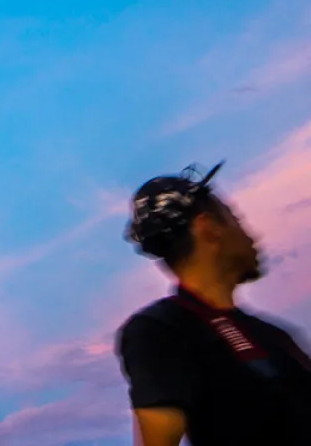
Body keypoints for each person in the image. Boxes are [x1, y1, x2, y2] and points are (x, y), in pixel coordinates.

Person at [118, 163, 311, 445]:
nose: (251, 236)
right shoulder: (161, 330)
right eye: (236, 221)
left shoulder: (274, 336)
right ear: (208, 228)